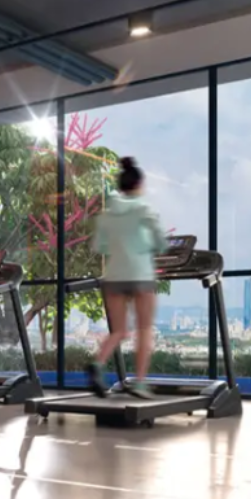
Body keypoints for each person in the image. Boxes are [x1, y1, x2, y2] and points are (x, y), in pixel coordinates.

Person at [86, 156, 166, 399]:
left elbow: (99, 246)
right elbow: (161, 242)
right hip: (140, 273)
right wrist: (147, 246)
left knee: (119, 331)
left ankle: (97, 364)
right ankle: (139, 383)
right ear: (139, 185)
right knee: (144, 329)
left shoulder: (106, 215)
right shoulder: (144, 209)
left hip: (113, 276)